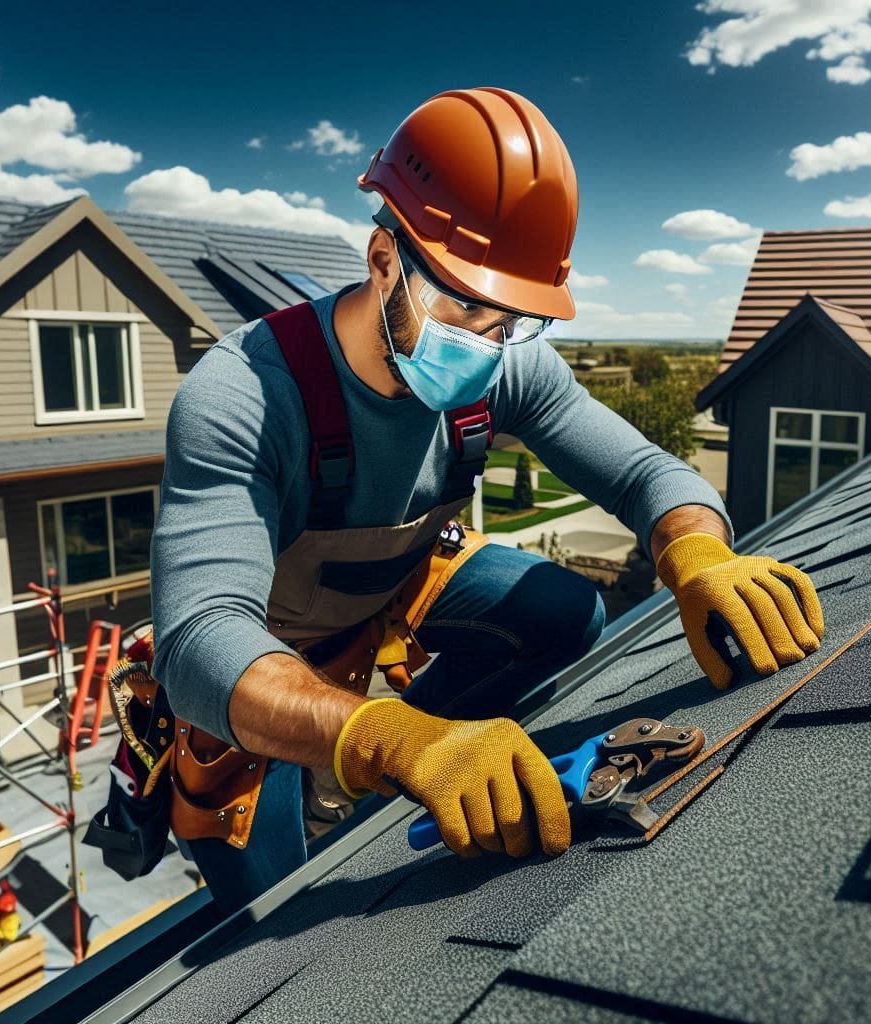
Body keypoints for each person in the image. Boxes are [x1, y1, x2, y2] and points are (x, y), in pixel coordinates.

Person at [151, 87, 824, 914]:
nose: (483, 342)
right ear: (382, 257)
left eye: (510, 319)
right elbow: (197, 642)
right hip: (258, 657)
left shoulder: (503, 366)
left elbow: (649, 473)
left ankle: (399, 768)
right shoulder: (246, 393)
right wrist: (387, 735)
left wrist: (694, 551)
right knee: (277, 907)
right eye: (461, 304)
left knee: (566, 612)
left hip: (386, 599)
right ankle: (369, 757)